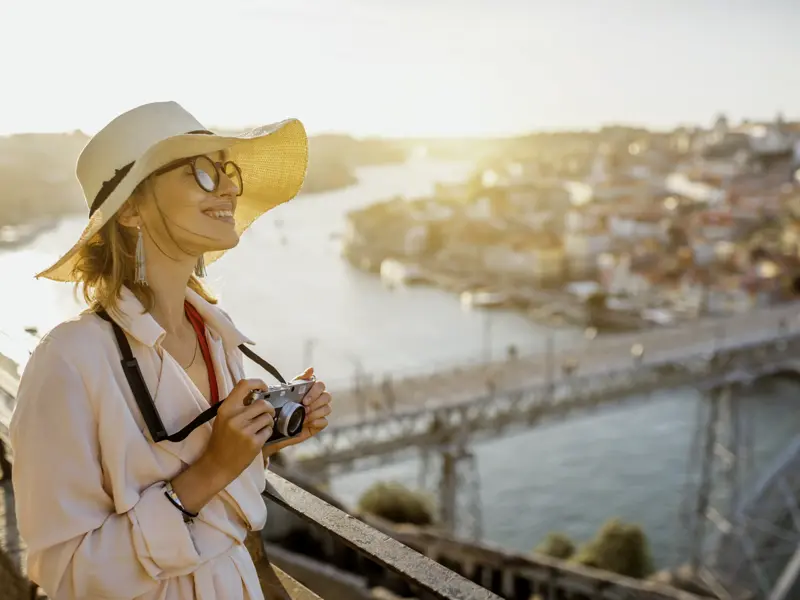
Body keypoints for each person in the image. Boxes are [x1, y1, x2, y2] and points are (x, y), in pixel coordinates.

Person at [9, 101, 333, 599]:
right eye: (200, 173)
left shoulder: (217, 336)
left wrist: (261, 441)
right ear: (131, 209)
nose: (229, 186)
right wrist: (215, 468)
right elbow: (65, 575)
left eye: (226, 170)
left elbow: (204, 481)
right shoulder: (67, 362)